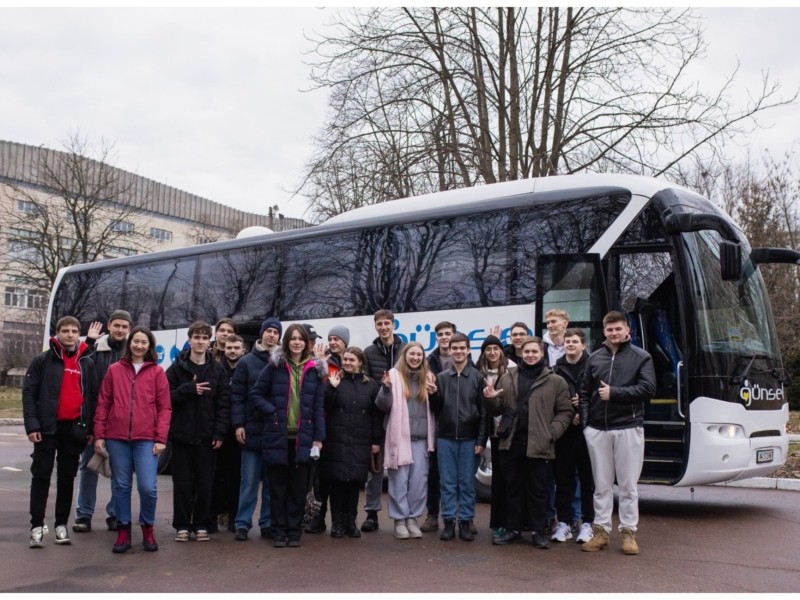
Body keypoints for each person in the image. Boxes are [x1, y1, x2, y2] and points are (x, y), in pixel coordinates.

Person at [483, 336, 572, 549]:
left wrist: (551, 433)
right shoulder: (507, 377)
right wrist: (491, 398)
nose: (530, 355)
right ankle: (513, 530)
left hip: (539, 444)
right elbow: (497, 410)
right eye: (527, 351)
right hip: (511, 442)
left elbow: (565, 411)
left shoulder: (555, 381)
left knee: (538, 491)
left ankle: (538, 531)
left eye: (535, 352)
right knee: (513, 489)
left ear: (542, 354)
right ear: (521, 353)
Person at [579, 311, 656, 555]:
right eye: (610, 329)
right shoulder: (594, 358)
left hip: (628, 427)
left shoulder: (641, 357)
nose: (614, 333)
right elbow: (583, 393)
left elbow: (648, 389)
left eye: (618, 329)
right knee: (600, 485)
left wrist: (615, 393)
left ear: (627, 331)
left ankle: (629, 533)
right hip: (598, 430)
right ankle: (601, 532)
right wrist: (587, 427)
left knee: (628, 486)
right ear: (604, 332)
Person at [93, 326, 172, 553]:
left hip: (146, 438)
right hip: (117, 438)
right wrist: (99, 434)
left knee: (148, 487)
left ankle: (148, 527)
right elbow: (103, 403)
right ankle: (123, 530)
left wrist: (161, 438)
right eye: (136, 341)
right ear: (130, 344)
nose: (139, 345)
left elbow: (165, 408)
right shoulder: (114, 370)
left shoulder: (157, 372)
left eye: (144, 342)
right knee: (121, 486)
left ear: (149, 346)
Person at [23, 316, 99, 548]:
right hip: (46, 428)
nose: (70, 334)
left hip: (73, 429)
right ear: (57, 334)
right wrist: (32, 425)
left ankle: (60, 525)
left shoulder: (86, 362)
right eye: (65, 330)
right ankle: (36, 526)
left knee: (67, 478)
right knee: (41, 476)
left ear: (79, 334)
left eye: (74, 331)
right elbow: (29, 394)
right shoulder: (42, 360)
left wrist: (90, 429)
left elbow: (93, 399)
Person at [251, 323, 326, 548]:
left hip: (303, 439)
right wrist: (272, 412)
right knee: (277, 488)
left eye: (300, 339)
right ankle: (278, 531)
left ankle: (294, 532)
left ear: (306, 343)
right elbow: (256, 394)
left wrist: (318, 438)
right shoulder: (274, 366)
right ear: (286, 342)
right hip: (277, 436)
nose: (296, 342)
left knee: (298, 489)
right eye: (292, 338)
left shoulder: (314, 369)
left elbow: (318, 407)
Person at [166, 321, 230, 543]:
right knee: (182, 484)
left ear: (209, 341)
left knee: (205, 483)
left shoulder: (217, 370)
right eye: (197, 337)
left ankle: (202, 524)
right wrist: (188, 390)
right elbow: (165, 398)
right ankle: (182, 525)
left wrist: (219, 433)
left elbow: (223, 404)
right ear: (189, 339)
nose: (200, 341)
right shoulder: (176, 368)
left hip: (207, 437)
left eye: (204, 338)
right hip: (182, 436)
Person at [74, 309, 132, 533]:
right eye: (116, 325)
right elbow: (79, 373)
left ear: (129, 328)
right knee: (89, 467)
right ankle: (84, 515)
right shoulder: (95, 349)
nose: (120, 330)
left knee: (120, 471)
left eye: (124, 326)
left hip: (121, 422)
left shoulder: (132, 352)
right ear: (109, 325)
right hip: (94, 419)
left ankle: (115, 514)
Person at [429, 332, 487, 542]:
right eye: (455, 348)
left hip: (470, 438)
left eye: (463, 348)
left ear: (469, 350)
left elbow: (483, 412)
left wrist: (481, 440)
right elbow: (436, 409)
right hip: (445, 438)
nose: (459, 351)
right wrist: (433, 393)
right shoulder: (442, 378)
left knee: (467, 483)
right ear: (450, 350)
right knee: (448, 483)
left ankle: (465, 522)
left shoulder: (477, 377)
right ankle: (448, 522)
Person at [375, 342, 436, 540]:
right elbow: (382, 406)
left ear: (423, 357)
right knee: (398, 482)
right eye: (412, 354)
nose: (415, 357)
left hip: (421, 439)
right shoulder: (393, 376)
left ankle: (413, 519)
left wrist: (435, 392)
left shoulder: (429, 377)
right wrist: (385, 389)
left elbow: (436, 406)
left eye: (419, 354)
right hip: (400, 439)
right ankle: (400, 520)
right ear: (405, 355)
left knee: (419, 483)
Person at [320, 346, 382, 538]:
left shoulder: (371, 385)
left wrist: (375, 440)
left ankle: (351, 522)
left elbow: (376, 415)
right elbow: (324, 406)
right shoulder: (335, 380)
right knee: (337, 483)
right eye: (345, 359)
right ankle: (337, 523)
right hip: (336, 440)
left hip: (359, 440)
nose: (347, 363)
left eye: (351, 360)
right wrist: (331, 388)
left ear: (360, 362)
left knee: (354, 484)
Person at [230, 317, 281, 542]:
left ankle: (267, 523)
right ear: (261, 334)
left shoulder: (283, 361)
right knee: (249, 482)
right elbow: (237, 397)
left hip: (275, 430)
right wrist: (238, 424)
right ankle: (242, 523)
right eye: (268, 331)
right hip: (251, 429)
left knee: (271, 482)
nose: (271, 335)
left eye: (275, 332)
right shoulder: (246, 362)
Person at [360, 309, 406, 533]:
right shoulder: (368, 352)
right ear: (375, 326)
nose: (384, 327)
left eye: (387, 323)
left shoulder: (405, 350)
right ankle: (371, 514)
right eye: (380, 324)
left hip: (401, 414)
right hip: (377, 414)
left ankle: (402, 515)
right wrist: (382, 394)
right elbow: (367, 381)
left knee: (401, 466)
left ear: (393, 325)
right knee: (375, 470)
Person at [551, 328, 595, 544]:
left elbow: (599, 395)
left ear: (583, 345)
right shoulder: (555, 368)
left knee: (588, 480)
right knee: (564, 480)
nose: (570, 344)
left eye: (575, 341)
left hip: (589, 432)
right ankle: (565, 524)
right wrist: (570, 411)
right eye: (567, 341)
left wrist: (583, 408)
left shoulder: (594, 365)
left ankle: (587, 523)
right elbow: (552, 399)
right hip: (565, 432)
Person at [305, 324, 351, 535]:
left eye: (337, 339)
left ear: (345, 343)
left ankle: (341, 522)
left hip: (344, 428)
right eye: (331, 338)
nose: (333, 342)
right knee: (320, 477)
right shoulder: (324, 363)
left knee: (339, 477)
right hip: (325, 424)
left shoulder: (351, 363)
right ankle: (317, 518)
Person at [475, 334, 513, 542]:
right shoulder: (478, 373)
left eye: (495, 348)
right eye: (488, 349)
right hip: (492, 433)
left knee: (511, 480)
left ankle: (514, 522)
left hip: (510, 433)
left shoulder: (512, 370)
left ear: (501, 351)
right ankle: (499, 523)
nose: (492, 352)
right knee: (498, 483)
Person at [420, 320, 456, 533]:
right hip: (434, 422)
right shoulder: (428, 360)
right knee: (433, 473)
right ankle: (432, 515)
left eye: (448, 333)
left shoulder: (466, 359)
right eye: (440, 334)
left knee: (457, 476)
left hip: (458, 423)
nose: (444, 337)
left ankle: (461, 517)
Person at [211, 333, 246, 533]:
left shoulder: (246, 367)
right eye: (229, 348)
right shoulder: (216, 368)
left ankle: (234, 519)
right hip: (219, 432)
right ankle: (213, 518)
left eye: (236, 348)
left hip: (238, 432)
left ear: (243, 349)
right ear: (224, 348)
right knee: (216, 477)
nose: (232, 351)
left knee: (236, 479)